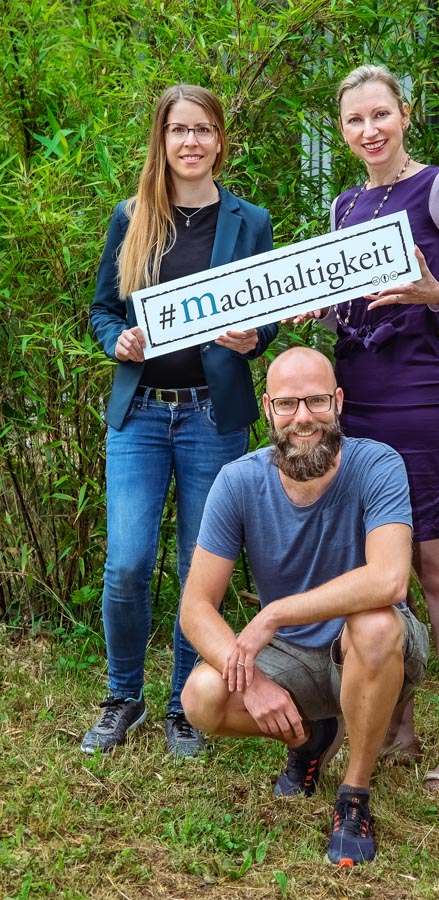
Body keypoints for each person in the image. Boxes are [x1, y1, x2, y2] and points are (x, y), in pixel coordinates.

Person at [314, 64, 439, 788]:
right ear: (341, 131)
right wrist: (322, 308)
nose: (368, 131)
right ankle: (392, 723)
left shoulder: (438, 187)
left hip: (419, 397)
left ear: (404, 113)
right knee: (373, 568)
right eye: (352, 121)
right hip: (354, 395)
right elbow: (355, 302)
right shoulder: (342, 205)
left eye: (379, 115)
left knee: (436, 564)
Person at [83, 84, 277, 758]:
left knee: (203, 571)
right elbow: (103, 309)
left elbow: (268, 311)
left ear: (221, 140)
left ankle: (182, 709)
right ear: (160, 140)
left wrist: (256, 337)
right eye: (177, 130)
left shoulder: (250, 221)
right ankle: (123, 698)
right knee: (128, 563)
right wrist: (118, 341)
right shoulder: (131, 215)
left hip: (213, 418)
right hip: (140, 415)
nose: (190, 142)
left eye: (202, 130)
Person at [180, 347, 429, 866]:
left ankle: (354, 795)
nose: (303, 418)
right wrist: (254, 683)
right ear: (268, 408)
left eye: (316, 401)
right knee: (202, 696)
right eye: (289, 404)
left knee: (377, 625)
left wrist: (274, 613)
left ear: (337, 402)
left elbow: (390, 579)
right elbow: (196, 608)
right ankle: (315, 735)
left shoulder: (378, 463)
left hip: (368, 648)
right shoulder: (239, 480)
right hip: (292, 657)